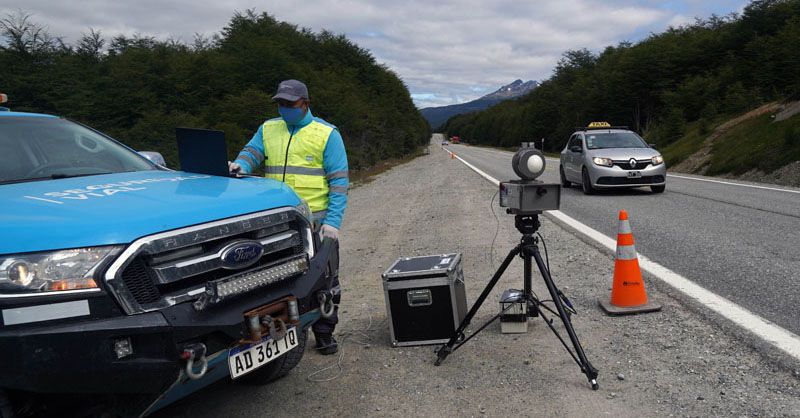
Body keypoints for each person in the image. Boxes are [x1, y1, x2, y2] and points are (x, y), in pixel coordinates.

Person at [229, 79, 348, 355]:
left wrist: (334, 222)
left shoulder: (327, 134)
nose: (284, 109)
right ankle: (282, 335)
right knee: (279, 280)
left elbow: (340, 182)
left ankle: (325, 333)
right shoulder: (269, 128)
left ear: (305, 104)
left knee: (326, 280)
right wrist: (239, 165)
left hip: (316, 223)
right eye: (280, 104)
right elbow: (252, 153)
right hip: (277, 224)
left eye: (289, 104)